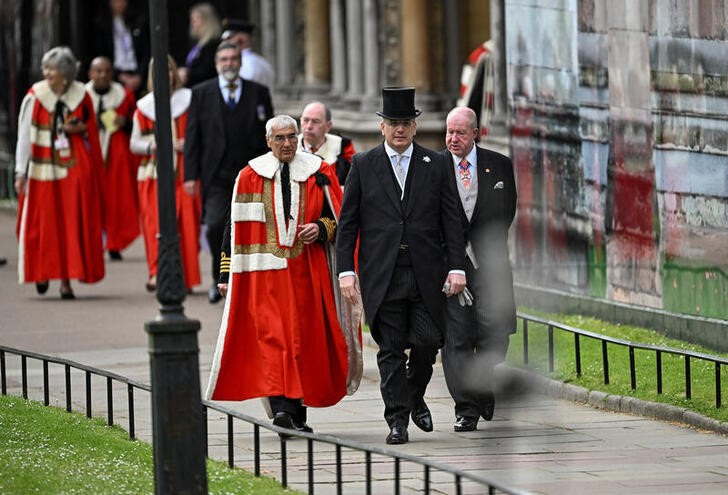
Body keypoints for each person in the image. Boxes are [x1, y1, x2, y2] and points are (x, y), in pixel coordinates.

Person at [205, 115, 362, 434]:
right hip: (263, 278)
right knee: (274, 342)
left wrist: (320, 228)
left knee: (303, 343)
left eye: (292, 137)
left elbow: (339, 220)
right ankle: (282, 410)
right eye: (280, 138)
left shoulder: (319, 171)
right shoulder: (249, 175)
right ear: (268, 141)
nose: (288, 143)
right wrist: (225, 273)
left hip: (308, 274)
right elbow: (233, 227)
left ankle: (295, 414)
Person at [336, 87, 466, 445]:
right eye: (393, 123)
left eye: (406, 123)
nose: (399, 129)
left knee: (428, 340)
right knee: (390, 349)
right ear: (382, 127)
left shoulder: (437, 164)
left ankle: (413, 394)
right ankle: (398, 421)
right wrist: (345, 270)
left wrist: (457, 265)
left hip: (426, 271)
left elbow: (451, 220)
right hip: (383, 274)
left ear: (414, 126)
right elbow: (347, 225)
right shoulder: (363, 165)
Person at [442, 106, 517, 431]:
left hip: (490, 266)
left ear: (476, 133)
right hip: (451, 268)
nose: (453, 139)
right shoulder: (434, 167)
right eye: (449, 132)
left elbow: (507, 212)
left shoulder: (499, 165)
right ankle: (467, 408)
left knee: (494, 333)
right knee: (456, 339)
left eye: (460, 133)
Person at [184, 41, 273, 303]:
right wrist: (190, 175)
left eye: (233, 59)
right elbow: (193, 137)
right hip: (216, 176)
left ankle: (249, 282)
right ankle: (218, 277)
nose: (229, 64)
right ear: (216, 64)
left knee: (254, 228)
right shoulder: (201, 93)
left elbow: (268, 135)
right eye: (224, 59)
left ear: (240, 62)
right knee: (214, 228)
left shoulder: (258, 92)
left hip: (251, 175)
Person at [14, 46, 106, 299]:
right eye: (45, 68)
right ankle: (42, 271)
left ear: (65, 74)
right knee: (43, 225)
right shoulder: (35, 96)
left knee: (69, 226)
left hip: (73, 170)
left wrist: (80, 130)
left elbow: (92, 130)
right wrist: (20, 172)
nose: (46, 73)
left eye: (51, 69)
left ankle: (66, 281)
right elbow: (23, 137)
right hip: (41, 171)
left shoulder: (81, 95)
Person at [130, 55, 201, 293]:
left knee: (187, 226)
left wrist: (188, 143)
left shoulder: (189, 100)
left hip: (184, 173)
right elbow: (134, 143)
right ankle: (156, 273)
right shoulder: (144, 107)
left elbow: (200, 132)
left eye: (169, 71)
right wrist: (156, 145)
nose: (166, 76)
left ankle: (187, 277)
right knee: (154, 225)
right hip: (153, 175)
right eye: (160, 72)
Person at [85, 56, 140, 261]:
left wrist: (124, 122)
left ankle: (115, 243)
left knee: (116, 201)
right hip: (90, 155)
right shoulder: (81, 96)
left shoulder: (124, 96)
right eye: (98, 71)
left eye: (107, 71)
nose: (103, 75)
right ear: (90, 74)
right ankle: (94, 243)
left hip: (116, 158)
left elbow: (137, 125)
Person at [92, 0, 149, 97]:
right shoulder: (102, 24)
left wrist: (140, 75)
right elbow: (102, 54)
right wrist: (119, 76)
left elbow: (146, 51)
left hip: (138, 74)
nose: (119, 4)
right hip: (115, 76)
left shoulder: (138, 21)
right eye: (115, 1)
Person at [298, 101, 356, 186]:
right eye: (305, 120)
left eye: (316, 121)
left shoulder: (343, 148)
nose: (309, 126)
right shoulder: (290, 148)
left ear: (328, 126)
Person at [220, 18, 275, 89]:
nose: (224, 42)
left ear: (241, 39)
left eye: (229, 38)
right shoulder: (263, 62)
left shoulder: (245, 64)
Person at [179, 3, 221, 88]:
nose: (192, 24)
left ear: (207, 21)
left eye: (195, 20)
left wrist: (187, 73)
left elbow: (207, 70)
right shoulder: (198, 44)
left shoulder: (213, 44)